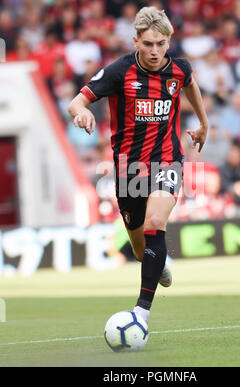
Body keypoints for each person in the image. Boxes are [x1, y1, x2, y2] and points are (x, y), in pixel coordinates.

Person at [68, 6, 208, 324]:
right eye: (148, 44)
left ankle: (140, 314)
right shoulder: (119, 71)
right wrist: (82, 112)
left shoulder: (179, 70)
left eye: (160, 43)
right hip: (130, 171)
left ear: (169, 42)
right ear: (136, 41)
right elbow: (77, 100)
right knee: (139, 248)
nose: (155, 51)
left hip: (166, 161)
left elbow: (190, 85)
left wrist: (203, 122)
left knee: (155, 222)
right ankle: (159, 262)